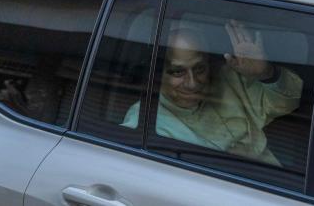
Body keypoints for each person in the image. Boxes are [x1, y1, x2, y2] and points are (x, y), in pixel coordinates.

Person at [122, 20, 303, 166]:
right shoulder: (143, 122)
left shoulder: (230, 78)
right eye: (177, 72)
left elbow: (287, 102)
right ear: (157, 73)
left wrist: (266, 74)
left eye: (199, 68)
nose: (192, 83)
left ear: (209, 63)